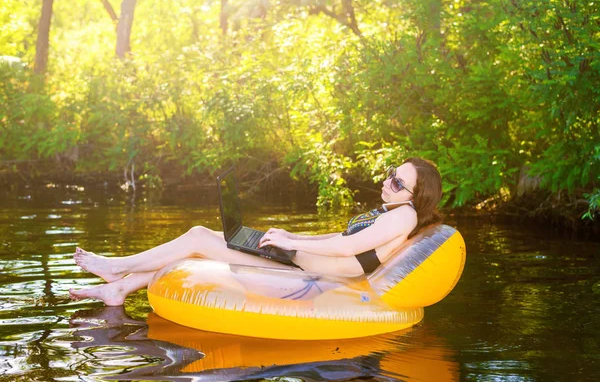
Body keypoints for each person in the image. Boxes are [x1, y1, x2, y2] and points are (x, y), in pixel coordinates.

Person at [69, 157, 443, 306]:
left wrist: (290, 248)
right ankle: (120, 287)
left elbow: (349, 251)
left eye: (398, 182)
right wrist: (291, 238)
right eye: (392, 173)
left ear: (416, 194)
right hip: (303, 259)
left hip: (309, 271)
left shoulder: (404, 216)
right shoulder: (394, 210)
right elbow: (341, 240)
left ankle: (118, 268)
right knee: (207, 239)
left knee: (200, 237)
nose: (387, 182)